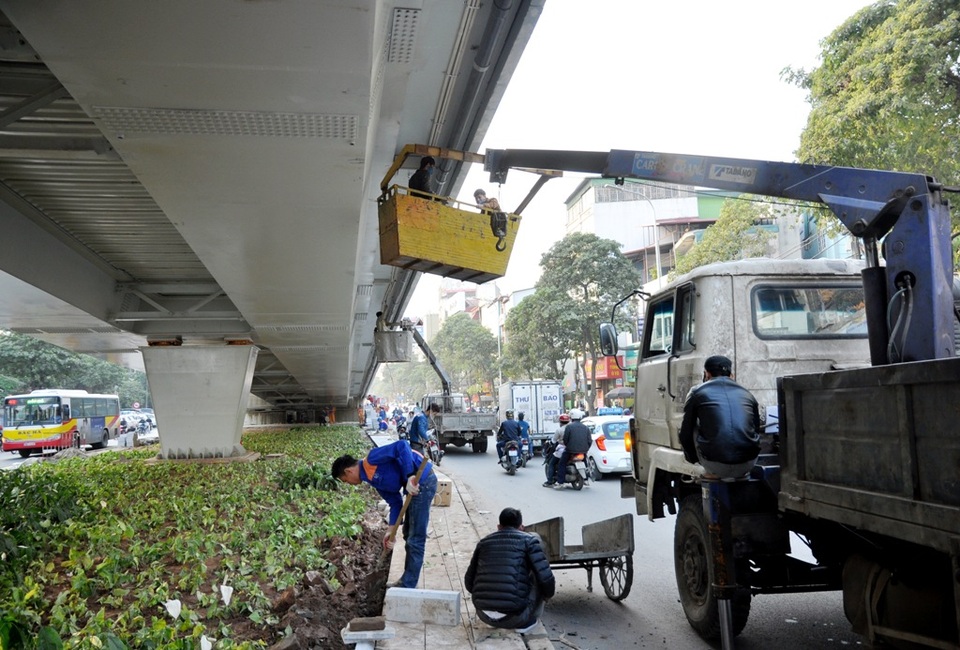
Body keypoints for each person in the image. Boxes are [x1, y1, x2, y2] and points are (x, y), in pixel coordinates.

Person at [331, 440, 437, 589]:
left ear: (348, 471)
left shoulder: (373, 458)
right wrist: (390, 530)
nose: (349, 483)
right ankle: (407, 580)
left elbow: (402, 446)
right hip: (413, 490)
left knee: (415, 539)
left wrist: (410, 475)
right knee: (408, 534)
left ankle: (408, 585)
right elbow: (395, 503)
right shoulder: (373, 481)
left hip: (422, 482)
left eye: (345, 481)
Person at [464, 507, 555, 633]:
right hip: (516, 619)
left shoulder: (483, 543)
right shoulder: (530, 541)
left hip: (484, 615)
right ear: (521, 527)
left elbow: (469, 582)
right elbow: (547, 580)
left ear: (498, 526)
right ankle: (530, 621)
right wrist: (547, 596)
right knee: (539, 575)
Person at [679, 355, 761, 479]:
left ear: (707, 374)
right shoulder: (747, 393)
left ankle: (710, 472)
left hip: (714, 465)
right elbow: (756, 428)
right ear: (731, 375)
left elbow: (685, 433)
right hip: (748, 464)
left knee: (693, 424)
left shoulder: (697, 391)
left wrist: (692, 459)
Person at [549, 408, 591, 488]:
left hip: (570, 450)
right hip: (583, 451)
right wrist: (586, 449)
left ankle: (560, 482)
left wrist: (568, 446)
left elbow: (565, 439)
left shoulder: (569, 427)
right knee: (585, 462)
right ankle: (586, 479)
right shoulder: (586, 427)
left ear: (571, 417)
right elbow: (589, 440)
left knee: (562, 464)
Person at [542, 413, 570, 487]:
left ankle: (550, 481)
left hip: (562, 449)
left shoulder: (559, 430)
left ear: (560, 422)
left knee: (551, 463)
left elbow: (553, 441)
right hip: (572, 448)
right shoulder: (571, 428)